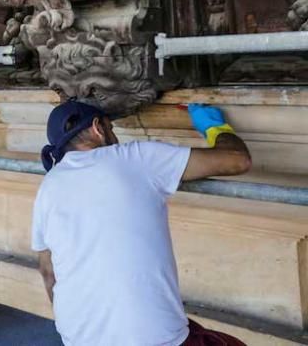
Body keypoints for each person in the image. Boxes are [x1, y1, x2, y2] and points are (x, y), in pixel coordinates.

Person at [32, 100, 252, 346]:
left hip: (78, 339)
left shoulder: (48, 186)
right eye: (111, 128)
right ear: (97, 128)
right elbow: (236, 160)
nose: (114, 137)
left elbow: (47, 272)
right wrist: (214, 127)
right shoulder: (134, 158)